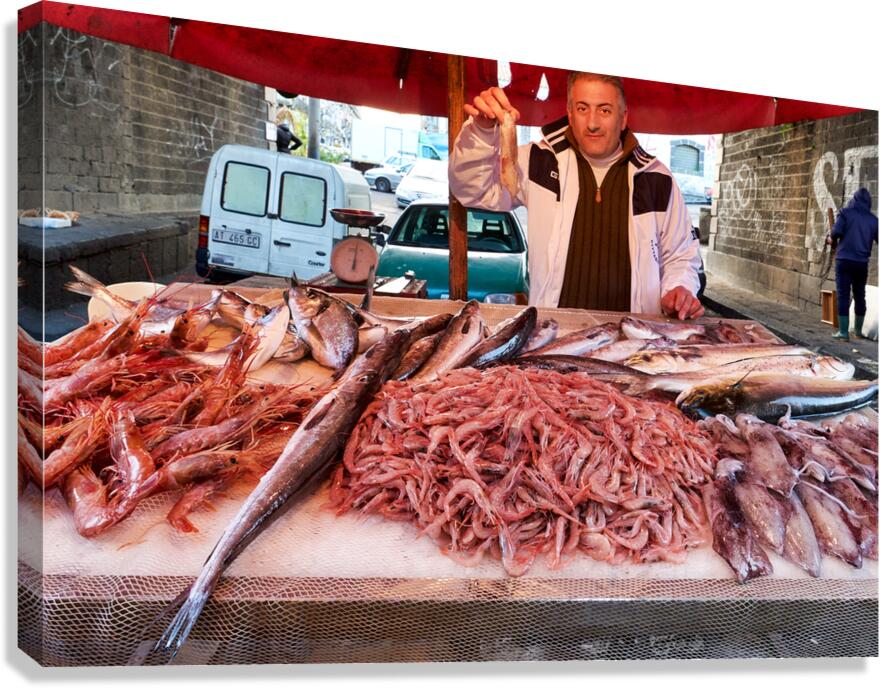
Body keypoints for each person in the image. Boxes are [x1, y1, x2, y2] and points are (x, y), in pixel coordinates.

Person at [448, 72, 703, 319]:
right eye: (582, 108)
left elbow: (681, 255)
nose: (592, 123)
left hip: (633, 339)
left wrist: (679, 289)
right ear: (570, 114)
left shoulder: (657, 178)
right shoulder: (539, 161)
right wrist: (482, 132)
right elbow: (471, 190)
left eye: (605, 110)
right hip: (554, 336)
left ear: (623, 118)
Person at [829, 187, 878, 340]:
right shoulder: (873, 220)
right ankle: (857, 331)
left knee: (843, 295)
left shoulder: (845, 213)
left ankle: (843, 332)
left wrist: (831, 239)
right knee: (859, 295)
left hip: (844, 260)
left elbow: (835, 233)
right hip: (861, 263)